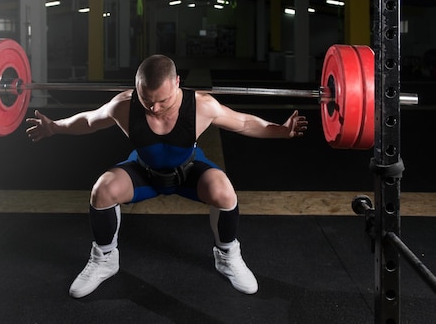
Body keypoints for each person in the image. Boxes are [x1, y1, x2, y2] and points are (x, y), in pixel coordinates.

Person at [25, 54, 308, 298]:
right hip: (144, 172)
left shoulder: (202, 106)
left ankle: (227, 256)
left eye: (162, 100)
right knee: (103, 190)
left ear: (177, 83)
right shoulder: (124, 105)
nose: (154, 108)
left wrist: (281, 130)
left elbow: (244, 122)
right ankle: (105, 259)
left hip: (188, 172)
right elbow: (88, 121)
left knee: (225, 192)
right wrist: (55, 127)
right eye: (147, 100)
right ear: (136, 88)